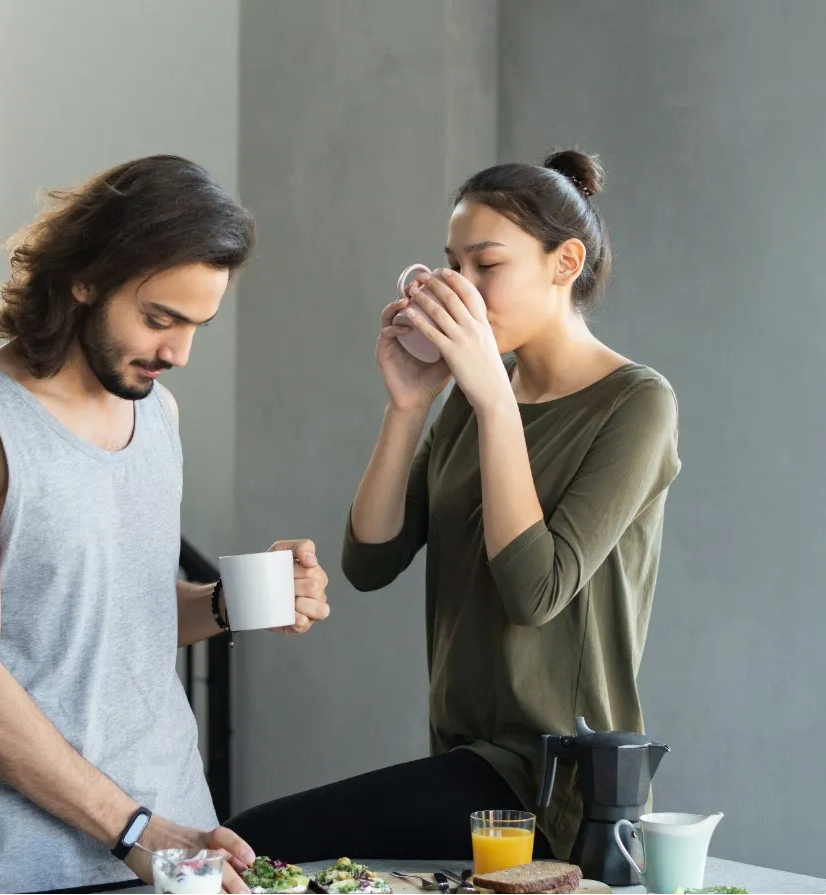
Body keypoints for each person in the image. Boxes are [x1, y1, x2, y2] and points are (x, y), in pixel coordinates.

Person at [0, 155, 332, 894]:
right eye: (160, 319)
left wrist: (234, 601)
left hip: (181, 845)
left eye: (196, 326)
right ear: (84, 277)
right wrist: (134, 830)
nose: (177, 353)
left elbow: (115, 614)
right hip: (24, 866)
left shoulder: (155, 412)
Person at [226, 150, 680, 865]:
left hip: (555, 780)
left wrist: (493, 400)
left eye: (485, 265)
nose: (459, 289)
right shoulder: (473, 395)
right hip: (465, 755)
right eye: (451, 265)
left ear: (564, 263)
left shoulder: (634, 403)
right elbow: (370, 559)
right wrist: (408, 405)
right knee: (257, 849)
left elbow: (534, 590)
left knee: (252, 844)